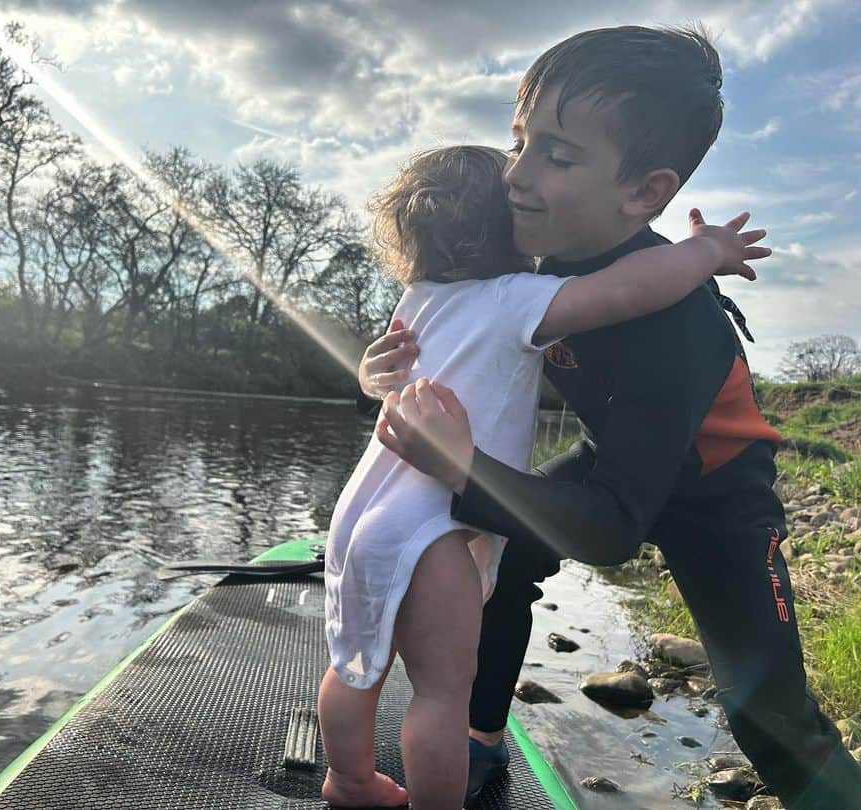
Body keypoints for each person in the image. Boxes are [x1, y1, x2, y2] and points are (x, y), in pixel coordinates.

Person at [361, 26, 861, 809]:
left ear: (644, 194)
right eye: (518, 140)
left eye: (556, 156)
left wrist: (462, 468)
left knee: (765, 710)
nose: (514, 176)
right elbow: (448, 333)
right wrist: (384, 368)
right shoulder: (531, 255)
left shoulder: (677, 323)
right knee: (505, 564)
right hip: (614, 452)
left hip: (718, 499)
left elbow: (611, 529)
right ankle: (480, 741)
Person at [320, 144, 767, 810]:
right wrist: (705, 253)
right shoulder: (519, 298)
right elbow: (628, 287)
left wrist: (364, 375)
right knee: (441, 695)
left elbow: (387, 375)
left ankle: (349, 780)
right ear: (507, 226)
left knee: (354, 665)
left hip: (361, 513)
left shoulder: (417, 299)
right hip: (433, 530)